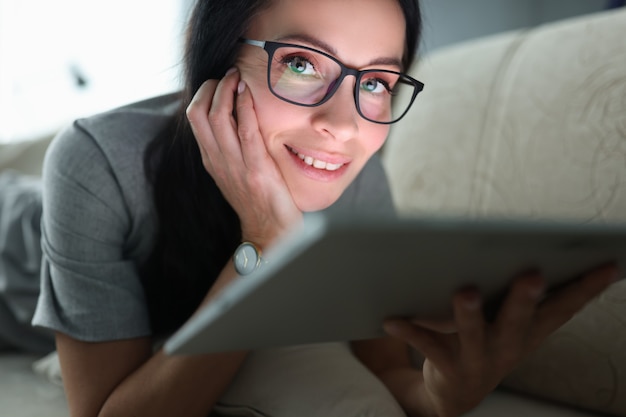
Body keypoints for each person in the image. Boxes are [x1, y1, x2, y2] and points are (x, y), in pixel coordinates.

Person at [6, 0, 614, 416]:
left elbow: (385, 364)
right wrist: (267, 242)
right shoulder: (96, 160)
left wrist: (440, 398)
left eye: (375, 82)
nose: (343, 126)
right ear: (214, 59)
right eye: (301, 64)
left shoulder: (359, 176)